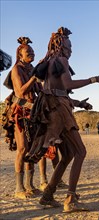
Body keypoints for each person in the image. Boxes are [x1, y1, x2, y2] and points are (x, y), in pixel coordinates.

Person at [23, 27, 99, 212]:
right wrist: (96, 79)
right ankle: (71, 200)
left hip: (54, 108)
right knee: (80, 152)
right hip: (59, 111)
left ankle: (47, 196)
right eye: (70, 46)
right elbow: (68, 85)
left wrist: (80, 103)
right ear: (62, 45)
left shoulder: (50, 61)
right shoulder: (60, 60)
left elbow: (58, 91)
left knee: (68, 154)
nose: (71, 50)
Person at [2, 37, 47, 199]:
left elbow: (38, 90)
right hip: (20, 112)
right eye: (28, 52)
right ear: (20, 55)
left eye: (33, 52)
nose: (31, 54)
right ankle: (19, 188)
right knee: (22, 149)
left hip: (33, 113)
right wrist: (34, 77)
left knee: (32, 149)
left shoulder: (30, 69)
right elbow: (20, 92)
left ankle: (30, 185)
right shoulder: (16, 70)